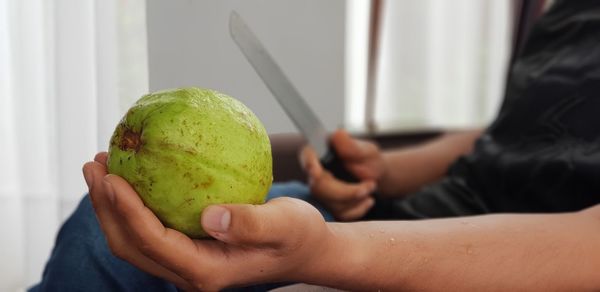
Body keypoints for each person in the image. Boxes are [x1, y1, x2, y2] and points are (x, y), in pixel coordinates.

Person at [31, 1, 600, 291]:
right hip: (417, 211)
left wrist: (327, 252)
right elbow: (513, 132)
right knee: (97, 227)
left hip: (494, 263)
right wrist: (386, 170)